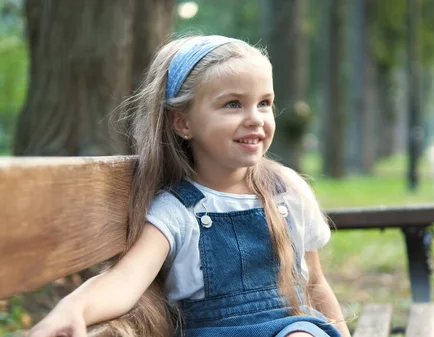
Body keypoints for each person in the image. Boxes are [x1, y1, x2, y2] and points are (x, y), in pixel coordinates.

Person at [28, 35, 351, 337]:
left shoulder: (286, 191)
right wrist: (75, 307)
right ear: (183, 122)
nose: (255, 118)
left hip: (291, 328)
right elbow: (125, 281)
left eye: (264, 103)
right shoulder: (177, 211)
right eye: (233, 104)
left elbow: (316, 284)